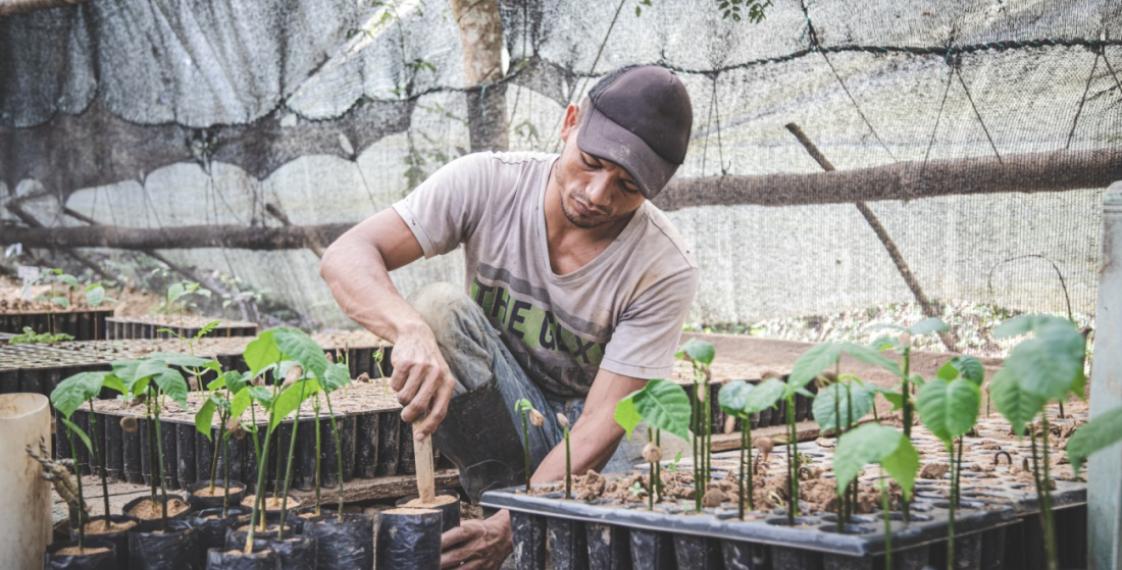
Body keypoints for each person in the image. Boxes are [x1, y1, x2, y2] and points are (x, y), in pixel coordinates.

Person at [320, 64, 698, 569]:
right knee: (434, 310)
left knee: (668, 486)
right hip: (511, 406)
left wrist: (522, 521)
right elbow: (347, 254)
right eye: (590, 162)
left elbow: (601, 422)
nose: (596, 194)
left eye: (627, 186)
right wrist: (407, 331)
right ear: (569, 123)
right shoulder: (490, 182)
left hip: (596, 436)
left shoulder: (663, 266)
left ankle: (520, 508)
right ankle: (497, 490)